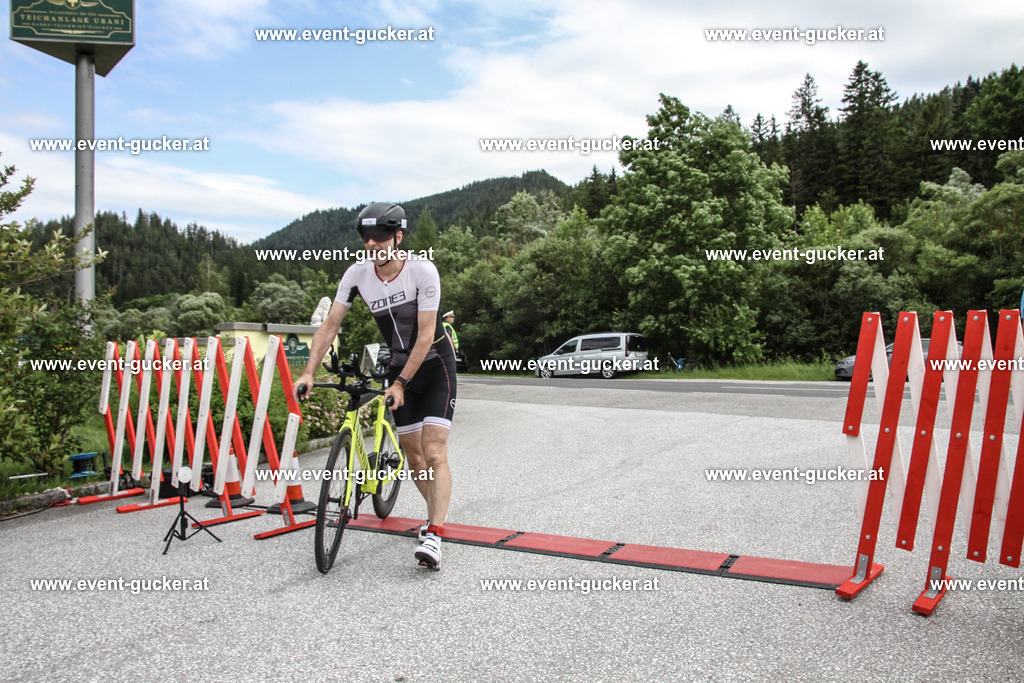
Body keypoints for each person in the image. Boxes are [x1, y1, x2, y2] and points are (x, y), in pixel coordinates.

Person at [294, 202, 456, 570]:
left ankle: (435, 532)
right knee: (413, 456)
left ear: (398, 237)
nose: (372, 244)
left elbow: (427, 334)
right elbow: (329, 326)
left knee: (433, 450)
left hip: (433, 366)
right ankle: (434, 515)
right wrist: (307, 372)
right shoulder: (356, 275)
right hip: (399, 367)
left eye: (380, 237)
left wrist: (400, 383)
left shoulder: (422, 271)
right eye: (367, 238)